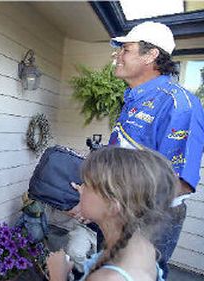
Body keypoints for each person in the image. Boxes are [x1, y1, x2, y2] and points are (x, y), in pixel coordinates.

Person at [107, 21, 204, 278]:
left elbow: (179, 182)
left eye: (125, 49)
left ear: (151, 55)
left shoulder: (179, 105)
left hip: (150, 219)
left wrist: (121, 206)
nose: (117, 55)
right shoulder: (134, 99)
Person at [47, 147, 177, 281]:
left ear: (112, 206)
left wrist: (58, 276)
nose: (80, 189)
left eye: (87, 184)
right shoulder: (143, 246)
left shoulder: (107, 278)